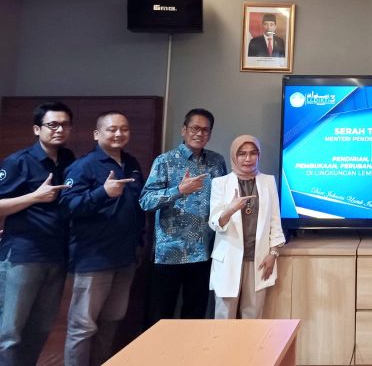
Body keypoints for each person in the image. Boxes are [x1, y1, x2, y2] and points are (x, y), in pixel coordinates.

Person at [59, 111, 144, 366]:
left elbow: (137, 206)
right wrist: (102, 193)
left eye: (124, 129)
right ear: (97, 134)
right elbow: (67, 207)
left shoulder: (131, 163)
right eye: (112, 129)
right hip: (94, 258)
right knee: (82, 326)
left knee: (111, 321)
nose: (119, 133)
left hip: (125, 258)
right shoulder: (83, 166)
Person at [0, 102, 75, 366]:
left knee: (40, 329)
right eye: (52, 124)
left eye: (64, 124)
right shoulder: (18, 161)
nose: (59, 129)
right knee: (9, 333)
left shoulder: (68, 159)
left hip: (56, 256)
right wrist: (34, 197)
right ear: (37, 129)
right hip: (23, 255)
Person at [139, 108, 227, 324]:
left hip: (203, 252)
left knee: (195, 317)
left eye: (205, 130)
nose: (199, 133)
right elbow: (145, 201)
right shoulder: (165, 161)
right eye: (195, 128)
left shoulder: (216, 162)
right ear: (184, 130)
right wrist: (178, 190)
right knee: (160, 318)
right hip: (169, 253)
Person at [208, 135, 285, 319]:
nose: (248, 158)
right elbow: (214, 223)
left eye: (253, 153)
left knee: (253, 316)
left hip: (258, 259)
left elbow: (275, 220)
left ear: (259, 155)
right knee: (224, 316)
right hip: (228, 258)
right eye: (242, 154)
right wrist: (230, 210)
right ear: (234, 156)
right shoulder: (220, 183)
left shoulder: (268, 181)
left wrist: (273, 253)